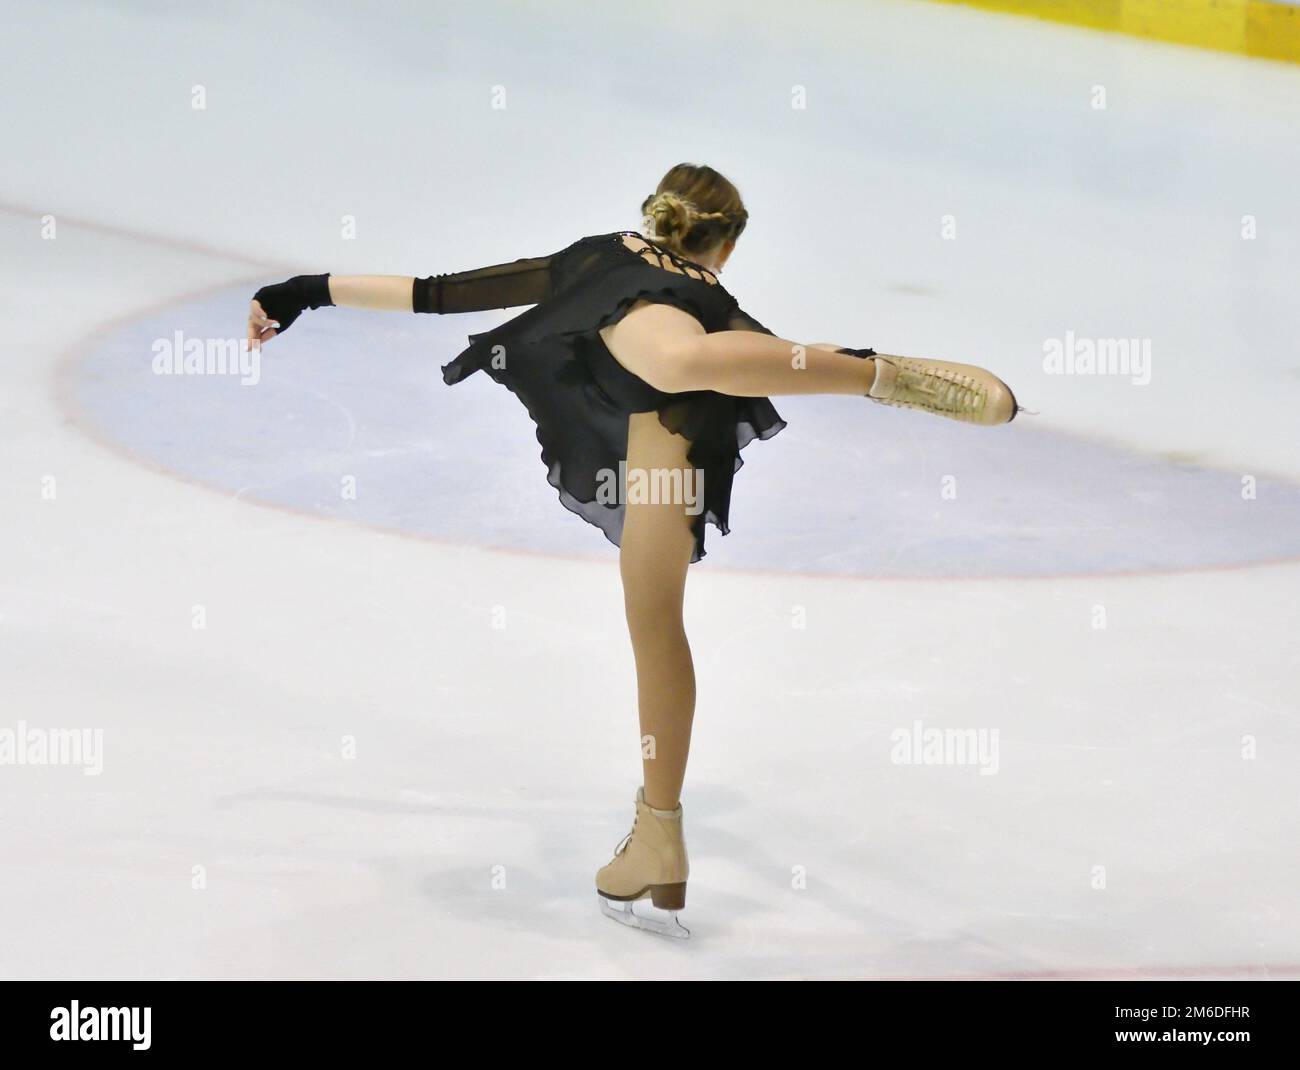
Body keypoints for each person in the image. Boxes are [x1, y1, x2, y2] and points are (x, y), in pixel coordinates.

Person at [247, 162, 1019, 938]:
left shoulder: (603, 262)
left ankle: (874, 376)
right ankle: (659, 831)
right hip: (670, 426)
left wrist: (307, 288)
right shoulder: (703, 297)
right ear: (730, 241)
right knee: (654, 620)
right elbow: (447, 291)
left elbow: (433, 291)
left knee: (684, 362)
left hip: (675, 398)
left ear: (658, 216)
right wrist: (305, 289)